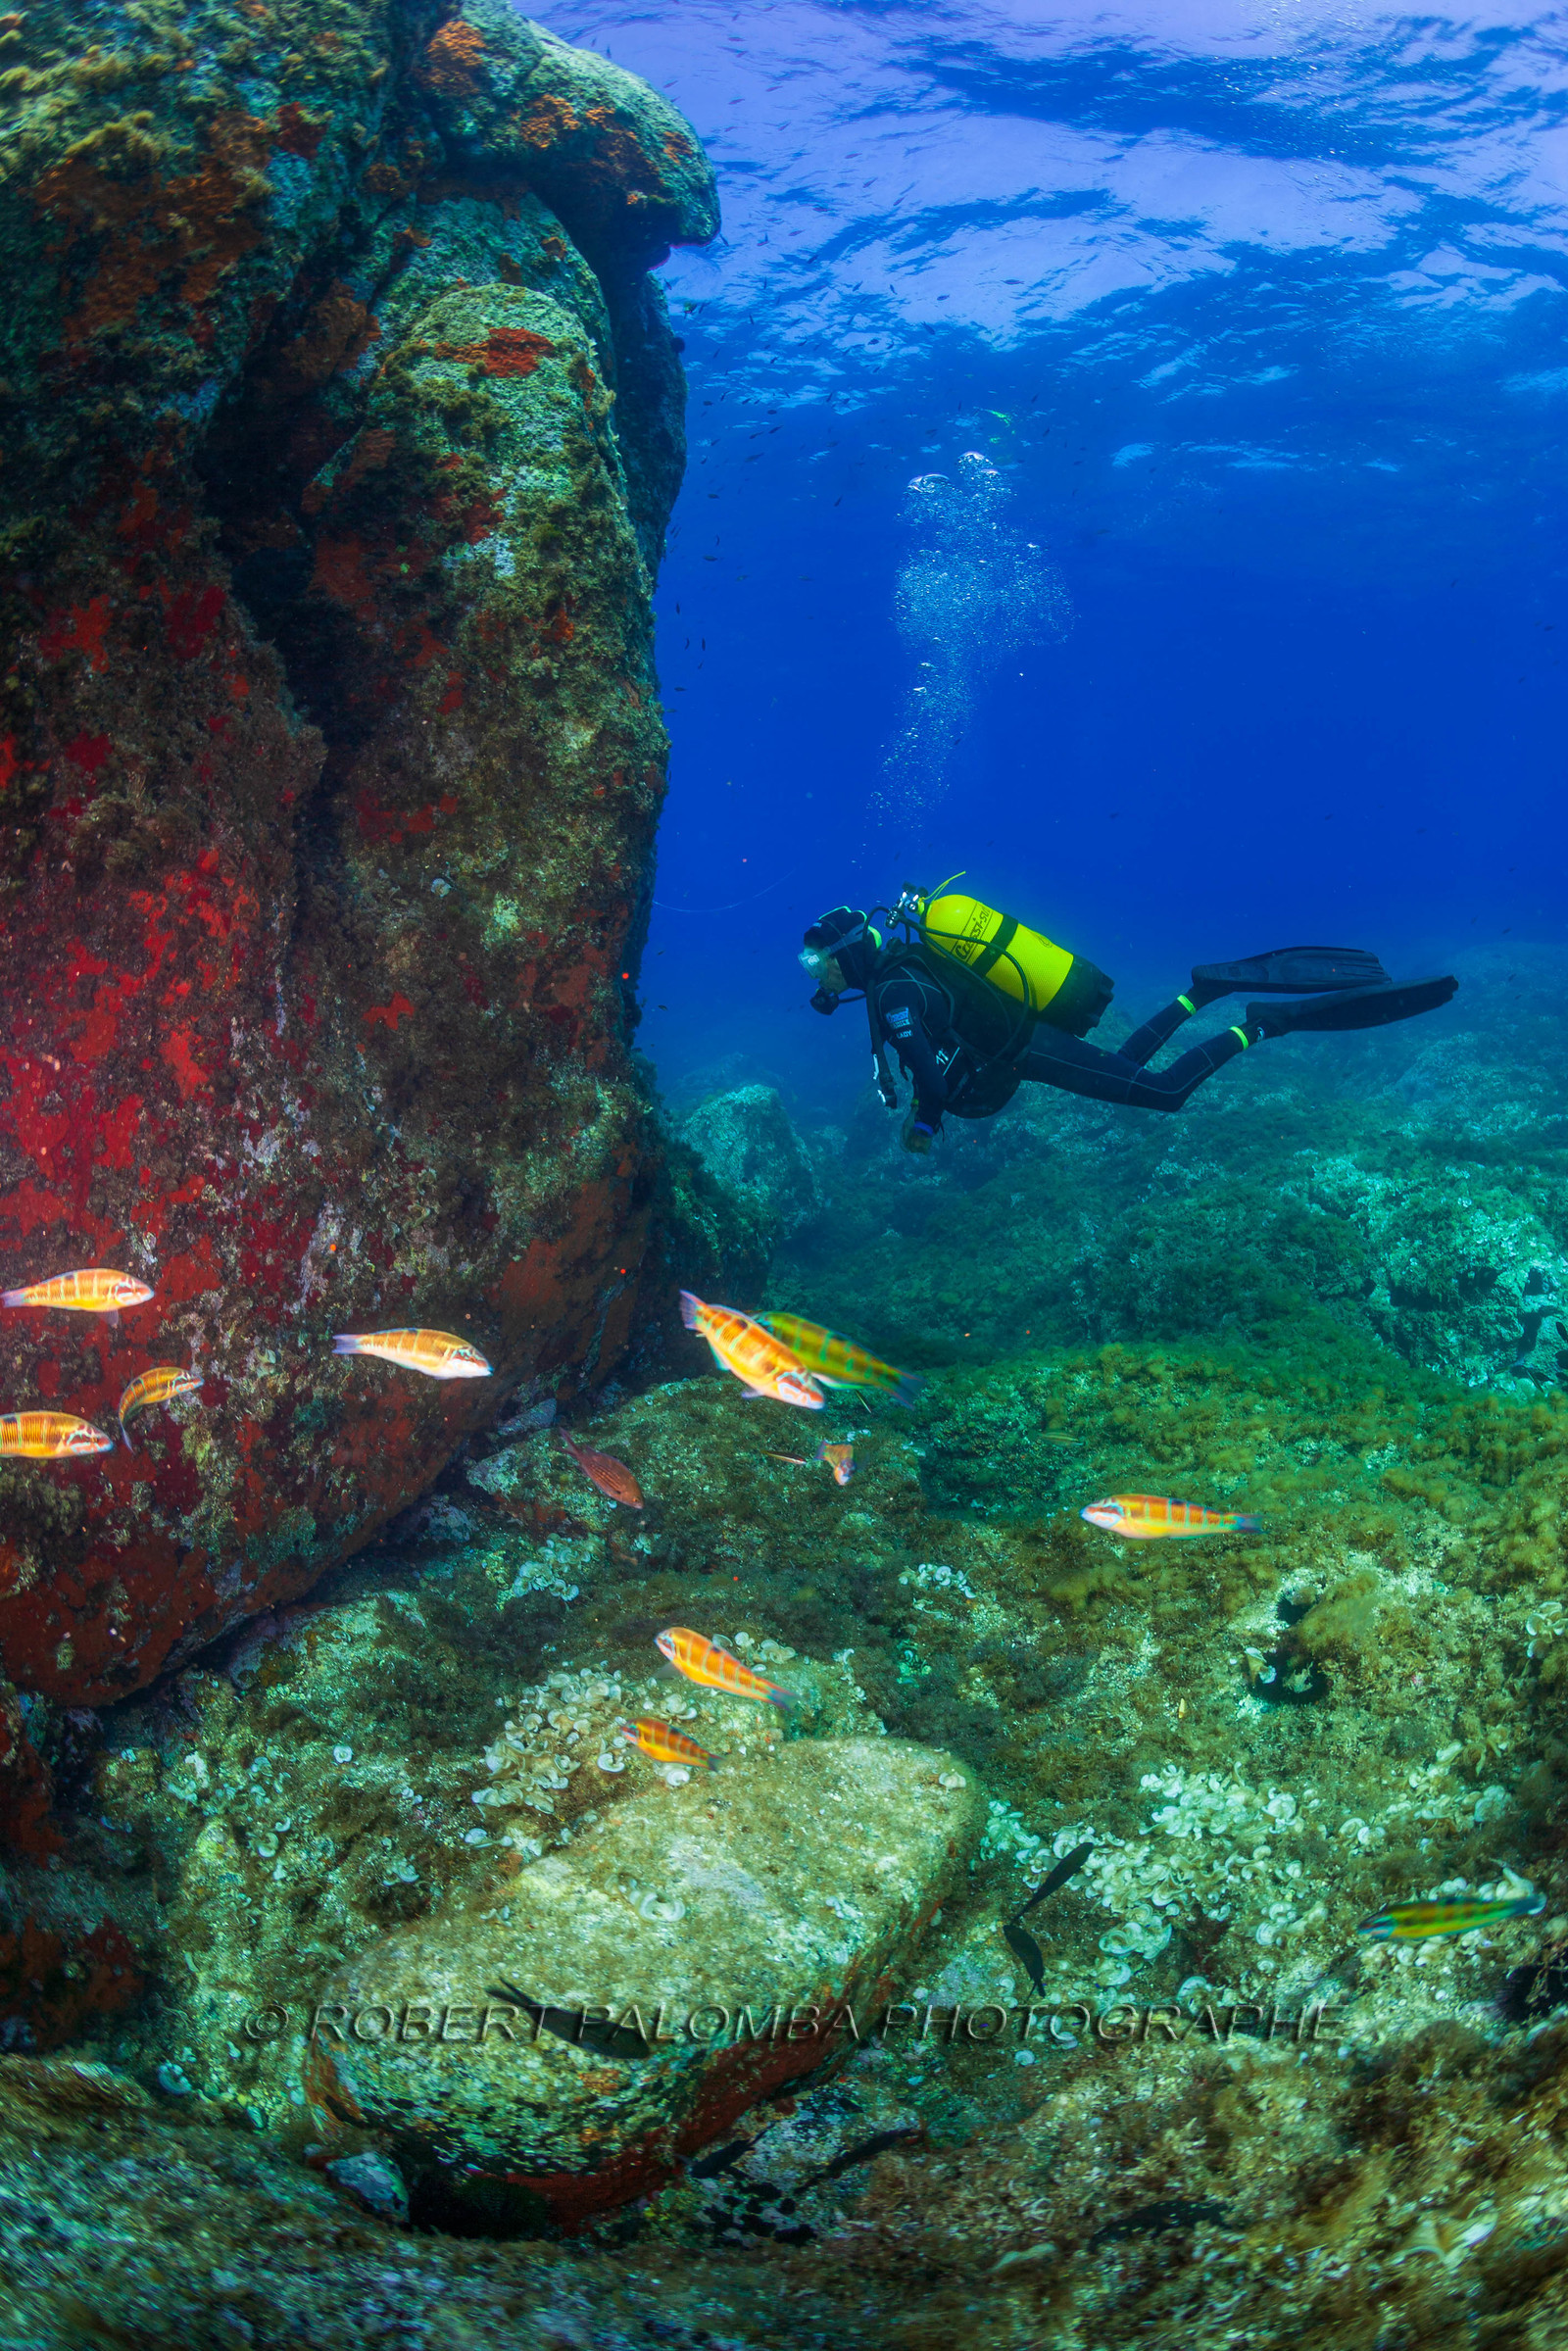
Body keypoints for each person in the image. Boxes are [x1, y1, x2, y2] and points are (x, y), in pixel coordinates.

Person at [799, 906, 1457, 1152]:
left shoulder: (892, 994)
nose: (819, 974)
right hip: (1024, 1041)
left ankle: (1266, 1024)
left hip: (1024, 1051)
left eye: (821, 961)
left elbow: (930, 1076)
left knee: (1164, 1093)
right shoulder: (906, 964)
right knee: (1127, 1067)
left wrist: (922, 1127)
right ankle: (1203, 990)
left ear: (850, 952)